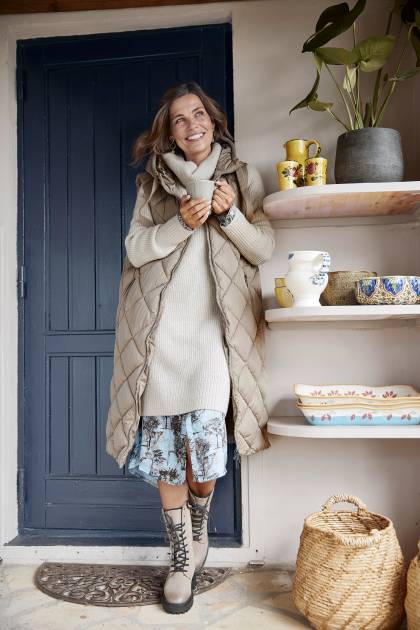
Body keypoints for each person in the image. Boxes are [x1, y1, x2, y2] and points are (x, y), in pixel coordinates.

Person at [105, 81, 275, 615]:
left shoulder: (242, 177)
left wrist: (229, 216)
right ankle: (180, 559)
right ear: (170, 133)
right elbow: (135, 249)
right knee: (164, 453)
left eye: (197, 114)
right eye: (179, 119)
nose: (190, 124)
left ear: (213, 121)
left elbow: (263, 248)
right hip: (159, 339)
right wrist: (180, 223)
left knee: (203, 444)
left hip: (212, 340)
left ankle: (198, 527)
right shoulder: (153, 183)